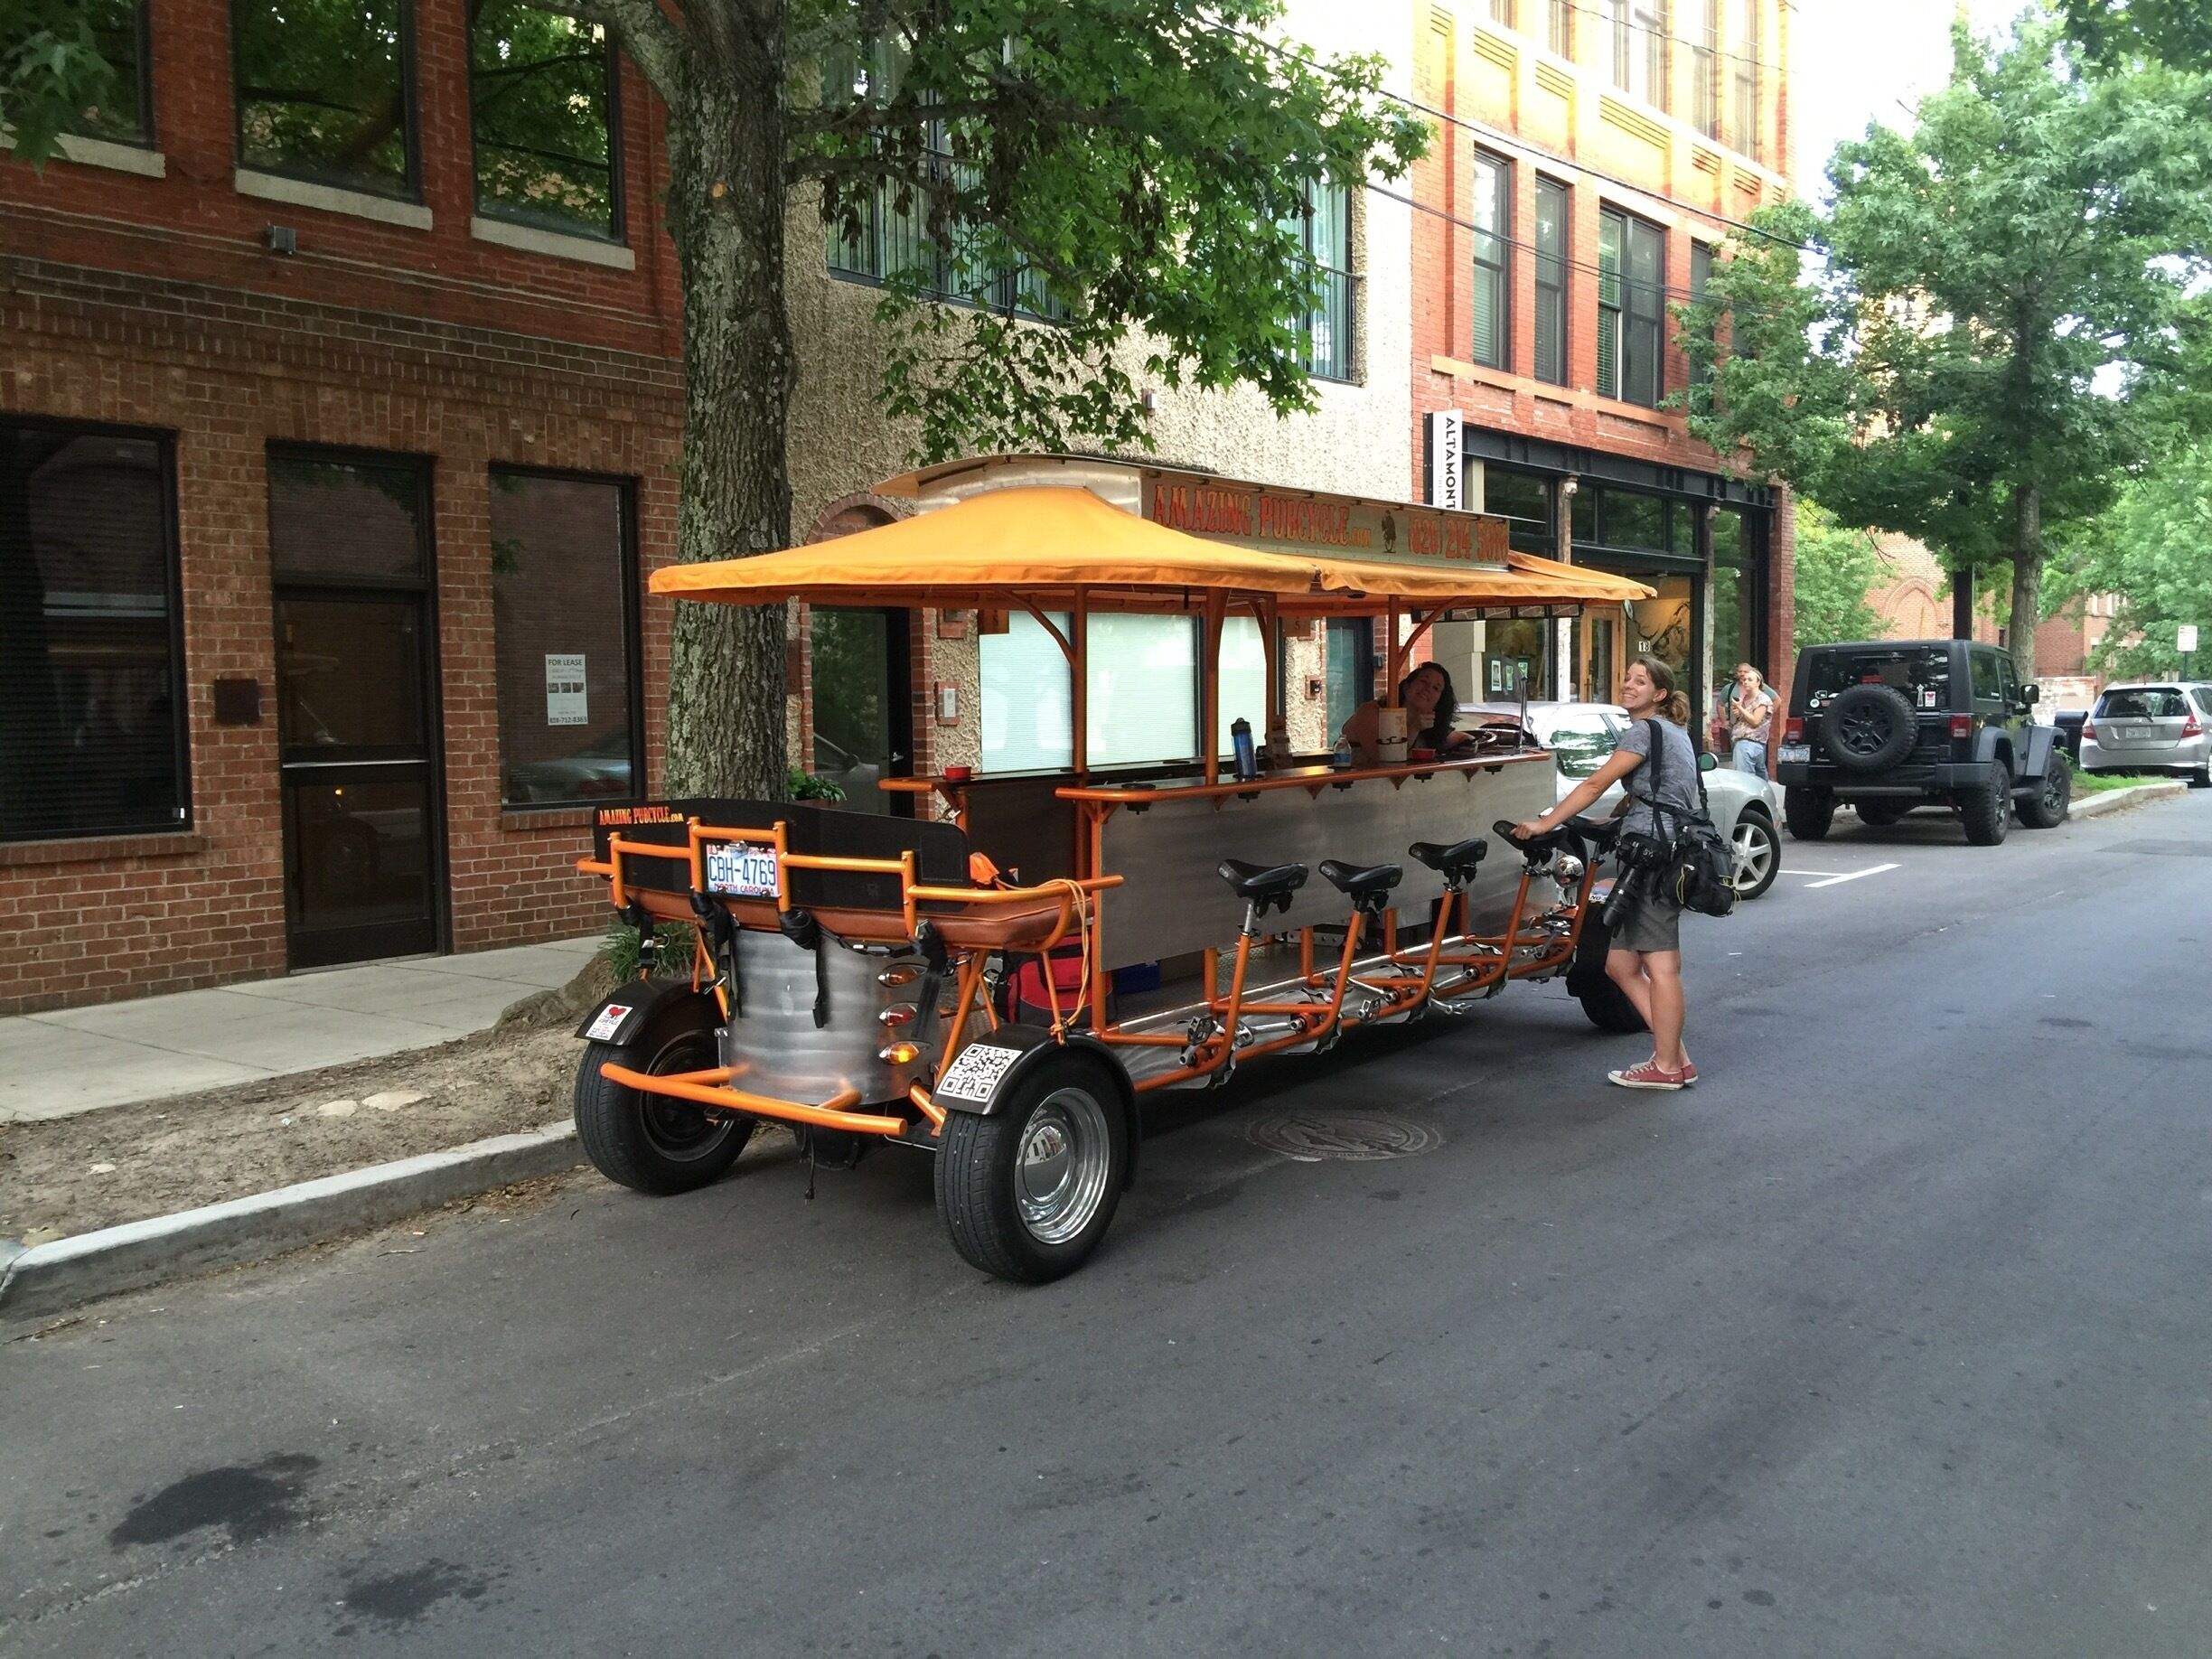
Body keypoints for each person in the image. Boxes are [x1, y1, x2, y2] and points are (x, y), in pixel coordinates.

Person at [1511, 659, 1700, 1091]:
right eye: (1627, 677)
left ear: (1660, 695)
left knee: (1662, 965)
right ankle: (1676, 1057)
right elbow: (1662, 792)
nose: (1628, 685)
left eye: (1640, 681)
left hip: (1653, 857)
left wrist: (1545, 823)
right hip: (1664, 849)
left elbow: (1595, 783)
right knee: (1618, 963)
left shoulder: (1644, 730)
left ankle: (1667, 1066)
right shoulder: (1674, 732)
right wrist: (1620, 816)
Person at [1339, 661, 1474, 764]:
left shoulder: (1428, 723)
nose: (1427, 689)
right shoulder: (1371, 711)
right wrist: (1414, 728)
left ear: (1439, 701)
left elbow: (1458, 737)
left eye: (1435, 688)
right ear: (1406, 686)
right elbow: (1384, 759)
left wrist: (1470, 744)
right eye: (1423, 681)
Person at [1727, 662, 1775, 779]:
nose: (1746, 682)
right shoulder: (1745, 698)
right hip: (1746, 742)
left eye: (1750, 680)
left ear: (1758, 683)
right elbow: (1738, 720)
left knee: (1746, 779)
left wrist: (1740, 708)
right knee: (1758, 778)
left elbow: (1755, 721)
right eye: (1744, 680)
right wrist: (1737, 713)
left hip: (1750, 742)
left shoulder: (1763, 699)